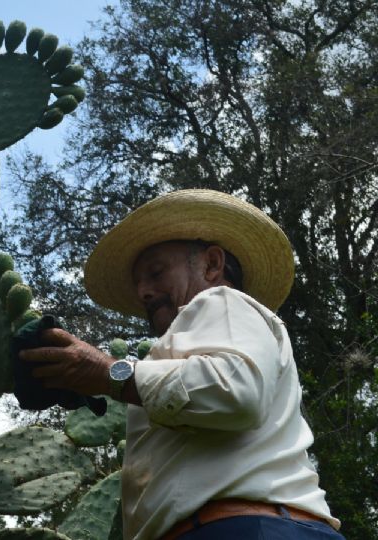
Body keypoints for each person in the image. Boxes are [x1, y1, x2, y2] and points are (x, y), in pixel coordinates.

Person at [18, 189, 344, 539]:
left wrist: (109, 373)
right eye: (138, 282)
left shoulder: (223, 300)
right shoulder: (181, 347)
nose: (143, 291)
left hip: (246, 529)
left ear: (212, 264)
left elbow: (237, 392)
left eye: (156, 273)